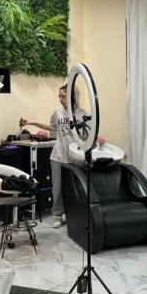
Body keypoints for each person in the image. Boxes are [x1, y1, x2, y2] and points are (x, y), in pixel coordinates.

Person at [20, 84, 102, 229]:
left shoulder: (82, 113)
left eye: (63, 96)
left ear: (72, 96)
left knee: (76, 187)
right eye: (59, 96)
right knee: (57, 188)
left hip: (75, 157)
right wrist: (31, 122)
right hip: (58, 155)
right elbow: (50, 127)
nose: (60, 99)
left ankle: (73, 213)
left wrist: (97, 138)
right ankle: (57, 214)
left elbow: (89, 133)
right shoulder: (57, 112)